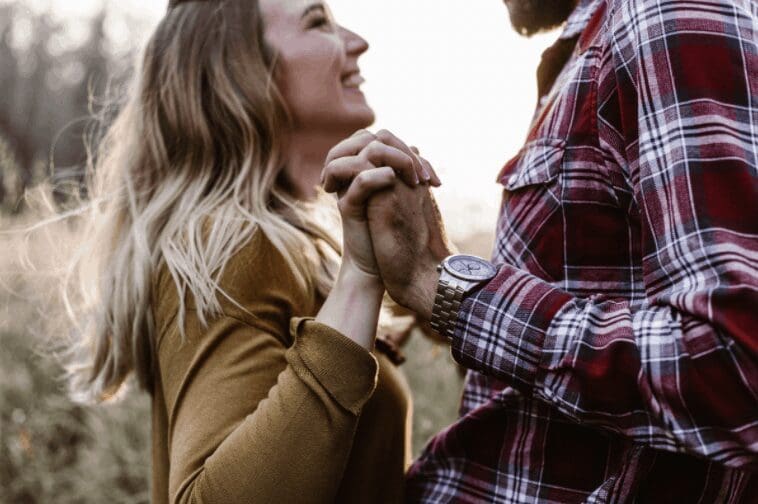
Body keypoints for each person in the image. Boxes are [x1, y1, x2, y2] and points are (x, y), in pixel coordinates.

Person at [323, 0, 758, 501]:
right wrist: (441, 271)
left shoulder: (666, 16)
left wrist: (439, 285)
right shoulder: (603, 43)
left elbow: (732, 362)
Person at [59, 0, 440, 502]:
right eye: (317, 21)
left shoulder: (291, 246)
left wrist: (429, 263)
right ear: (241, 71)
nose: (356, 41)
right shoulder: (230, 247)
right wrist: (360, 280)